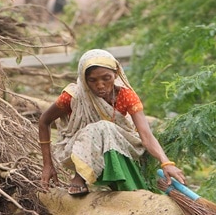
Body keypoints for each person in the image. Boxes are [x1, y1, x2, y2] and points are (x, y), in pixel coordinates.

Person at [37, 49, 187, 195]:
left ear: (115, 74)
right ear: (84, 79)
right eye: (92, 80)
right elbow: (44, 121)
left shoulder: (126, 95)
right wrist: (47, 165)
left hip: (121, 146)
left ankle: (123, 186)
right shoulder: (74, 96)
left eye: (106, 78)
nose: (100, 85)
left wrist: (166, 163)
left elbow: (146, 135)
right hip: (79, 149)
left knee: (105, 128)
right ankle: (80, 176)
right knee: (102, 127)